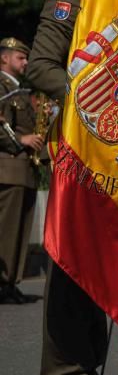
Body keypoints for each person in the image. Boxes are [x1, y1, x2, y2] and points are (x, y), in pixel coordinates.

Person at [31, 0, 118, 375]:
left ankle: (89, 366)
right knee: (72, 260)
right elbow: (41, 65)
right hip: (81, 144)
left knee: (103, 259)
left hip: (117, 148)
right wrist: (90, 96)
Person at [0, 38, 42, 305]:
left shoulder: (20, 91)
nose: (25, 62)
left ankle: (11, 282)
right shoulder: (3, 87)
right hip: (8, 167)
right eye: (20, 57)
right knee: (6, 229)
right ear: (4, 58)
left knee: (20, 229)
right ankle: (2, 282)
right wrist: (20, 140)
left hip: (24, 170)